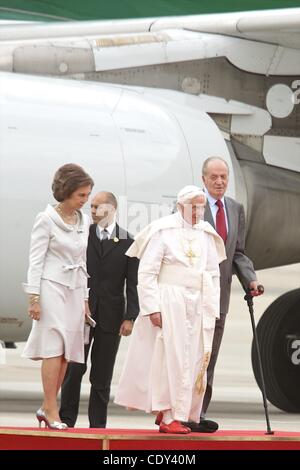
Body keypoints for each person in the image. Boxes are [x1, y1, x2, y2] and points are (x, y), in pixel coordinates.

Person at [115, 186, 226, 434]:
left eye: (201, 206)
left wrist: (212, 307)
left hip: (197, 303)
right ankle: (167, 416)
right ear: (180, 206)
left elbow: (213, 274)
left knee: (195, 359)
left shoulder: (207, 233)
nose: (198, 212)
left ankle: (186, 414)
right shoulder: (162, 231)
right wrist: (152, 308)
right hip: (170, 302)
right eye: (193, 207)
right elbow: (146, 273)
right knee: (171, 360)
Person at [186, 156, 263, 433]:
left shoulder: (235, 208)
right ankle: (179, 411)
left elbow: (237, 252)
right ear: (204, 179)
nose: (220, 182)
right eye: (214, 177)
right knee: (188, 355)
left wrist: (250, 279)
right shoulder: (193, 206)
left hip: (220, 298)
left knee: (209, 357)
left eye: (224, 177)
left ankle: (198, 413)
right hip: (193, 296)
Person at [22, 163, 94, 429]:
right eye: (81, 196)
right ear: (67, 192)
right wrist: (34, 298)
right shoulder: (46, 219)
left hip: (74, 290)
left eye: (87, 195)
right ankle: (51, 409)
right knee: (53, 348)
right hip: (51, 286)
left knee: (67, 352)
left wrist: (85, 297)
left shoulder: (83, 220)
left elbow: (83, 260)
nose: (85, 201)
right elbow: (35, 260)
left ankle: (48, 406)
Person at [59, 191, 139, 428]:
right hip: (81, 313)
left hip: (111, 316)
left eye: (96, 207)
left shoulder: (127, 241)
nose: (91, 211)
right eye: (90, 207)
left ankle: (97, 426)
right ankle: (67, 419)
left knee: (102, 376)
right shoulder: (82, 235)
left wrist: (130, 317)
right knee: (74, 369)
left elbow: (132, 284)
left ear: (112, 209)